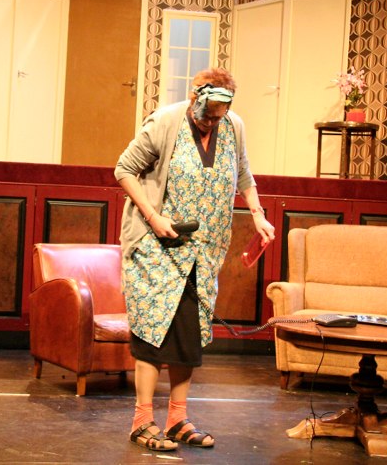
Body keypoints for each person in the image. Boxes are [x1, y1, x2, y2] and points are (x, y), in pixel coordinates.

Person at [114, 67, 276, 452]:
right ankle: (141, 421)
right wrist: (154, 217)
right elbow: (124, 169)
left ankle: (176, 419)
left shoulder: (234, 126)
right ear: (194, 97)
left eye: (219, 116)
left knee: (188, 337)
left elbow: (244, 175)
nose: (212, 122)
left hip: (204, 251)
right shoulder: (164, 123)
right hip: (156, 247)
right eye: (208, 115)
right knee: (152, 333)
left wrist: (257, 214)